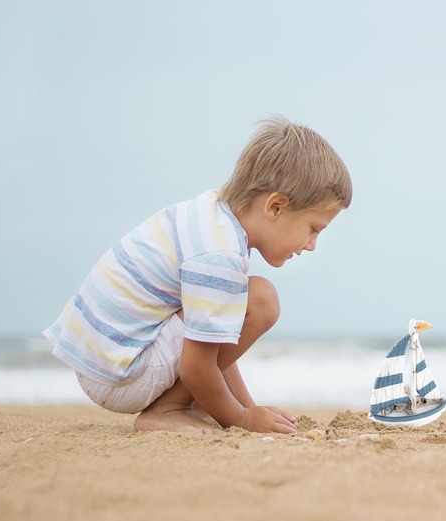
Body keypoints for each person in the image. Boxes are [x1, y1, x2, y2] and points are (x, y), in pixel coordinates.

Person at [43, 117, 352, 434]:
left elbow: (215, 337)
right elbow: (197, 367)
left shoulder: (211, 220)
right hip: (121, 373)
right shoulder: (219, 254)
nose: (312, 245)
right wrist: (242, 419)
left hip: (107, 359)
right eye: (313, 229)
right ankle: (168, 409)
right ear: (275, 207)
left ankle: (192, 405)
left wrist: (248, 408)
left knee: (226, 312)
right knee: (262, 300)